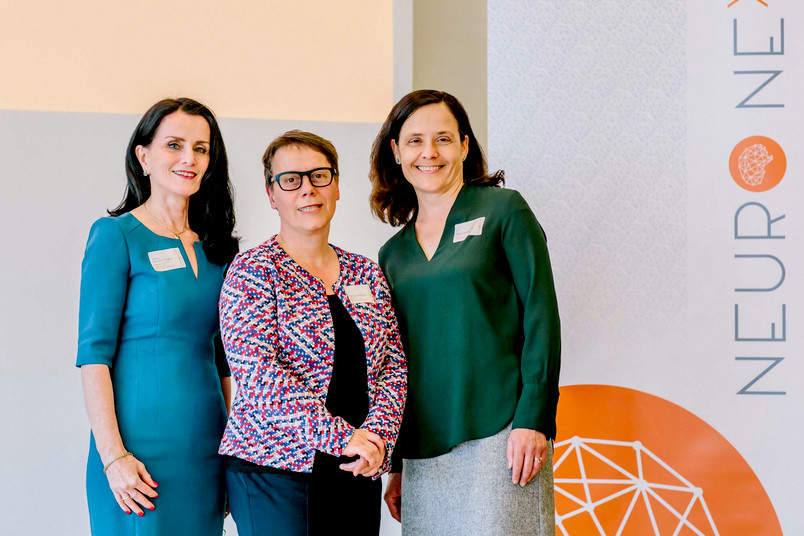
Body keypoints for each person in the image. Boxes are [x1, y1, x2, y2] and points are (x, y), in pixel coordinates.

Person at [369, 89, 561, 536]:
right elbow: (395, 360)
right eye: (415, 140)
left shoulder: (503, 210)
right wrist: (396, 462)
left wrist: (534, 418)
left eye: (443, 138)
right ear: (396, 151)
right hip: (423, 446)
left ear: (465, 145)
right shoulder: (392, 254)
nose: (429, 152)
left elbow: (540, 315)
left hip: (501, 433)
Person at [218, 130, 407, 536]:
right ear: (272, 195)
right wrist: (344, 437)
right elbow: (258, 377)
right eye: (291, 179)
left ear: (336, 185)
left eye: (320, 175)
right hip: (275, 470)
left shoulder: (366, 273)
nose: (307, 189)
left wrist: (377, 438)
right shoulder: (253, 271)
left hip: (356, 469)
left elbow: (394, 365)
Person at [77, 97, 238, 535]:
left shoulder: (220, 250)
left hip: (205, 449)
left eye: (201, 148)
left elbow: (223, 360)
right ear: (143, 155)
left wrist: (232, 451)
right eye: (174, 145)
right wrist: (114, 457)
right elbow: (93, 357)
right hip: (136, 454)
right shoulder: (115, 236)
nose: (189, 159)